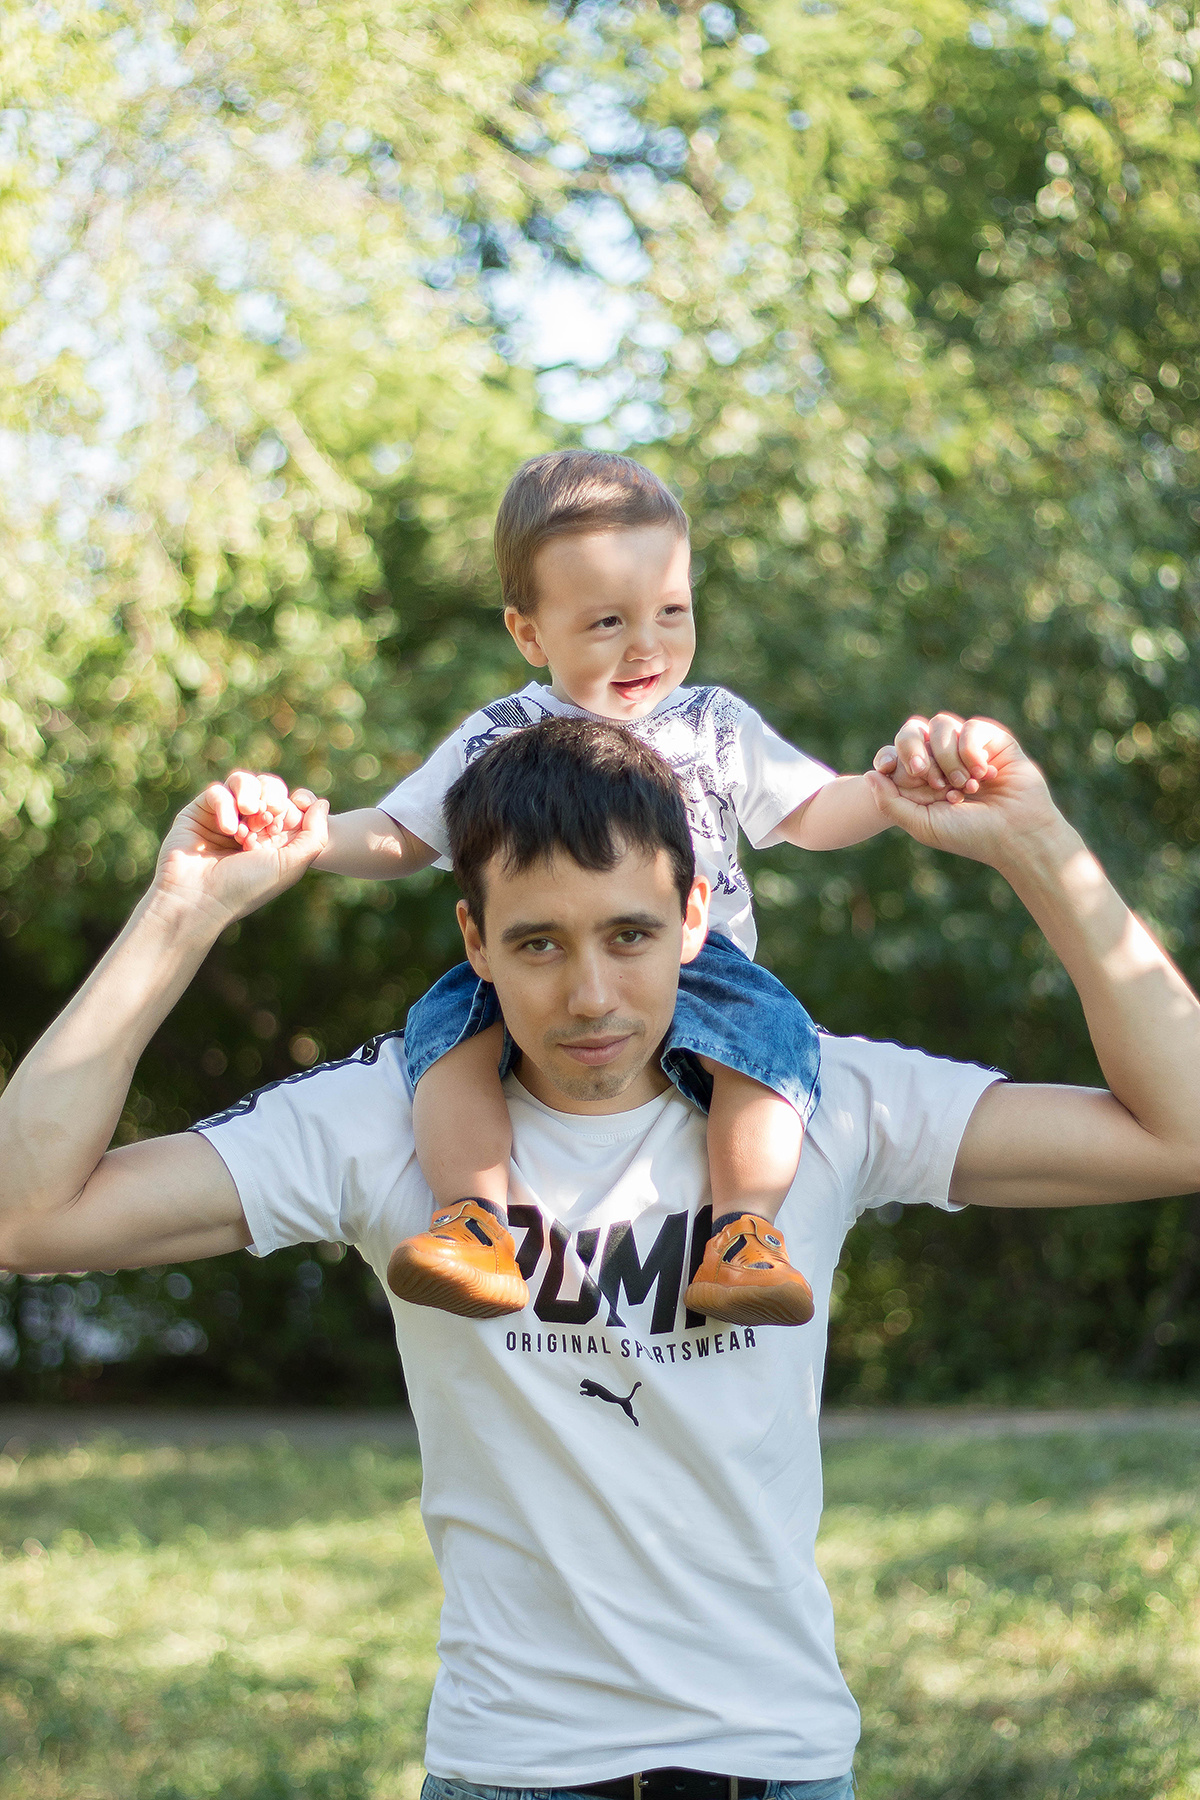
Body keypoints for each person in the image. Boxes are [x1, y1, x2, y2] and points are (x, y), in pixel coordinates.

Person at [2, 712, 1199, 1800]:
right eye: (538, 945)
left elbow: (1180, 1132)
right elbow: (25, 1218)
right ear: (473, 939)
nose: (590, 997)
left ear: (694, 917)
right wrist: (182, 911)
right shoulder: (386, 1115)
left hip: (777, 1763)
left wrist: (1037, 845)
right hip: (513, 1769)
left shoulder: (812, 1095)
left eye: (631, 935)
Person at [222, 452, 982, 1329]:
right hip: (537, 956)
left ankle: (744, 1234)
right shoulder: (501, 734)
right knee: (443, 1037)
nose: (646, 646)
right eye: (609, 621)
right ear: (530, 634)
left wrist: (885, 794)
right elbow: (405, 834)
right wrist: (311, 840)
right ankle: (474, 1221)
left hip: (700, 960)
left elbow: (810, 811)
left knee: (773, 1045)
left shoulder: (712, 724)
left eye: (671, 611)